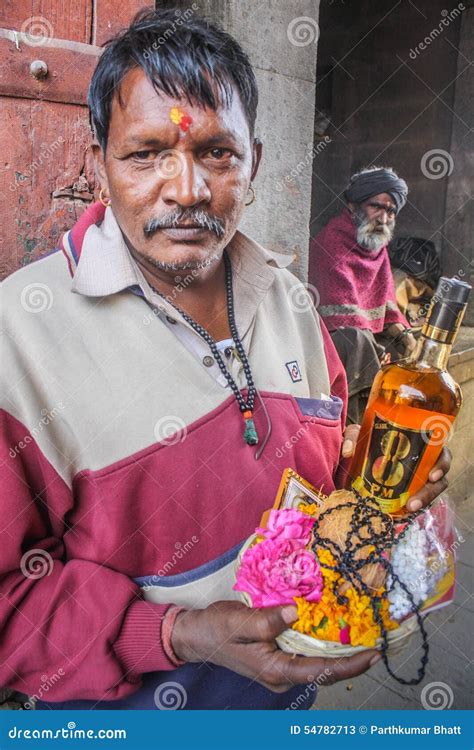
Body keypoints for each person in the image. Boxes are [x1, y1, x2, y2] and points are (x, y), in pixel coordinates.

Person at [0, 11, 450, 710]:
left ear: (256, 164)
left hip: (291, 705)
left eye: (216, 153)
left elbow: (324, 477)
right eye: (146, 153)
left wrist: (385, 473)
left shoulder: (292, 301)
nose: (186, 190)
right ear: (97, 166)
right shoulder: (17, 340)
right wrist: (177, 634)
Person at [309, 167, 417, 423]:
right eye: (376, 207)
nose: (384, 218)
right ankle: (358, 423)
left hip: (363, 336)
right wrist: (374, 349)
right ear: (353, 205)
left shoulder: (377, 248)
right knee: (355, 340)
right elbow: (342, 318)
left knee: (403, 346)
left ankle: (390, 418)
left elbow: (386, 304)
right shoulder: (331, 242)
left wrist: (403, 333)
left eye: (391, 211)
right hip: (328, 339)